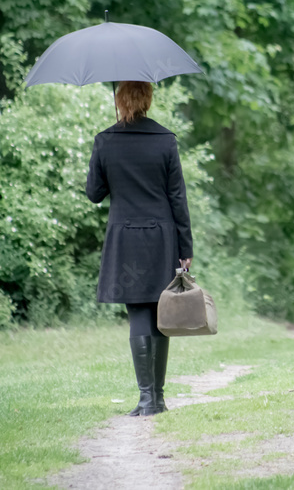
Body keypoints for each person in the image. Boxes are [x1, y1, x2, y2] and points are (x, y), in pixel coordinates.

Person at [85, 80, 193, 417]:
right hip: (162, 238)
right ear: (147, 99)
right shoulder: (166, 140)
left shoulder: (105, 141)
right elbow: (178, 198)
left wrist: (105, 156)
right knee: (161, 314)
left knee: (139, 313)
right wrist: (185, 247)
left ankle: (148, 399)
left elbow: (94, 193)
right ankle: (155, 399)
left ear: (119, 100)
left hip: (126, 239)